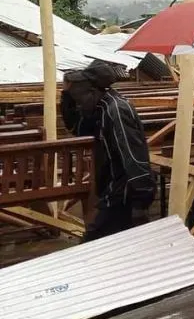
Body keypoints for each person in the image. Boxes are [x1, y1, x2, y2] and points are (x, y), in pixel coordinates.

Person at [60, 60, 155, 241]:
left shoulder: (116, 110)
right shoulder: (101, 108)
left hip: (123, 193)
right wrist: (65, 95)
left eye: (79, 99)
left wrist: (140, 199)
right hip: (112, 190)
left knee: (93, 243)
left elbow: (133, 154)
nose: (79, 103)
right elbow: (76, 128)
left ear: (92, 92)